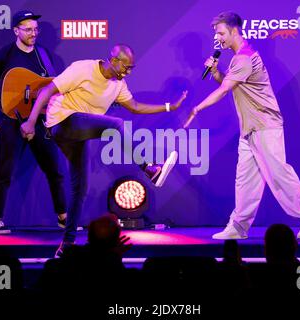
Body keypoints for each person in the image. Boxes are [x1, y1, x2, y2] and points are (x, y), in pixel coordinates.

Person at [20, 44, 187, 256]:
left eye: (131, 68)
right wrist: (31, 121)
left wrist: (168, 107)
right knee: (116, 124)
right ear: (114, 60)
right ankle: (148, 169)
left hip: (78, 132)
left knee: (80, 187)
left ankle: (67, 245)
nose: (127, 72)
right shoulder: (83, 69)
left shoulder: (118, 84)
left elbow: (134, 106)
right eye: (125, 67)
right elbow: (47, 91)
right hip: (62, 122)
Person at [184, 11, 300, 240]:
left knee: (279, 174)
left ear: (234, 30)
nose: (218, 39)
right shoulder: (239, 58)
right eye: (216, 34)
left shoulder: (244, 58)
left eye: (221, 33)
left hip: (265, 125)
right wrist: (217, 72)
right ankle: (238, 227)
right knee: (245, 179)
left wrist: (197, 108)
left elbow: (224, 90)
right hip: (250, 128)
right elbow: (232, 84)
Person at [0, 10, 67, 234]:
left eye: (36, 29)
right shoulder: (4, 55)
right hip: (11, 120)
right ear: (16, 31)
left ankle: (63, 217)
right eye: (28, 29)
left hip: (38, 121)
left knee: (54, 170)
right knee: (5, 171)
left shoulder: (44, 55)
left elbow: (50, 88)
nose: (33, 33)